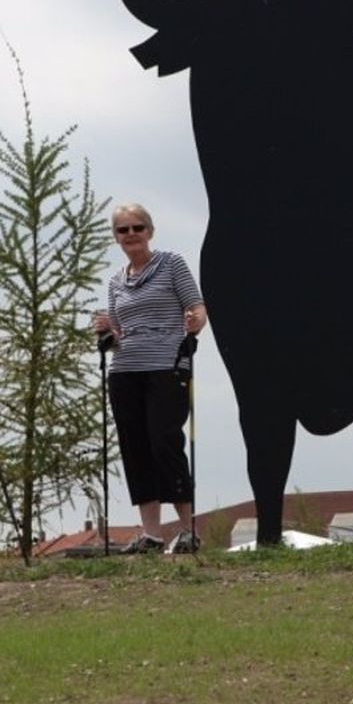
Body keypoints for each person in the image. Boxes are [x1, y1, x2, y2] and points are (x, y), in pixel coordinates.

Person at [94, 203, 207, 554]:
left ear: (150, 231)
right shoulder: (116, 280)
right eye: (123, 230)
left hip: (166, 365)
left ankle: (188, 528)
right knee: (136, 446)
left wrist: (194, 322)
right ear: (115, 237)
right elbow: (118, 333)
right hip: (125, 370)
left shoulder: (171, 264)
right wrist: (106, 332)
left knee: (164, 440)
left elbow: (197, 307)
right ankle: (152, 534)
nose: (131, 234)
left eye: (137, 227)